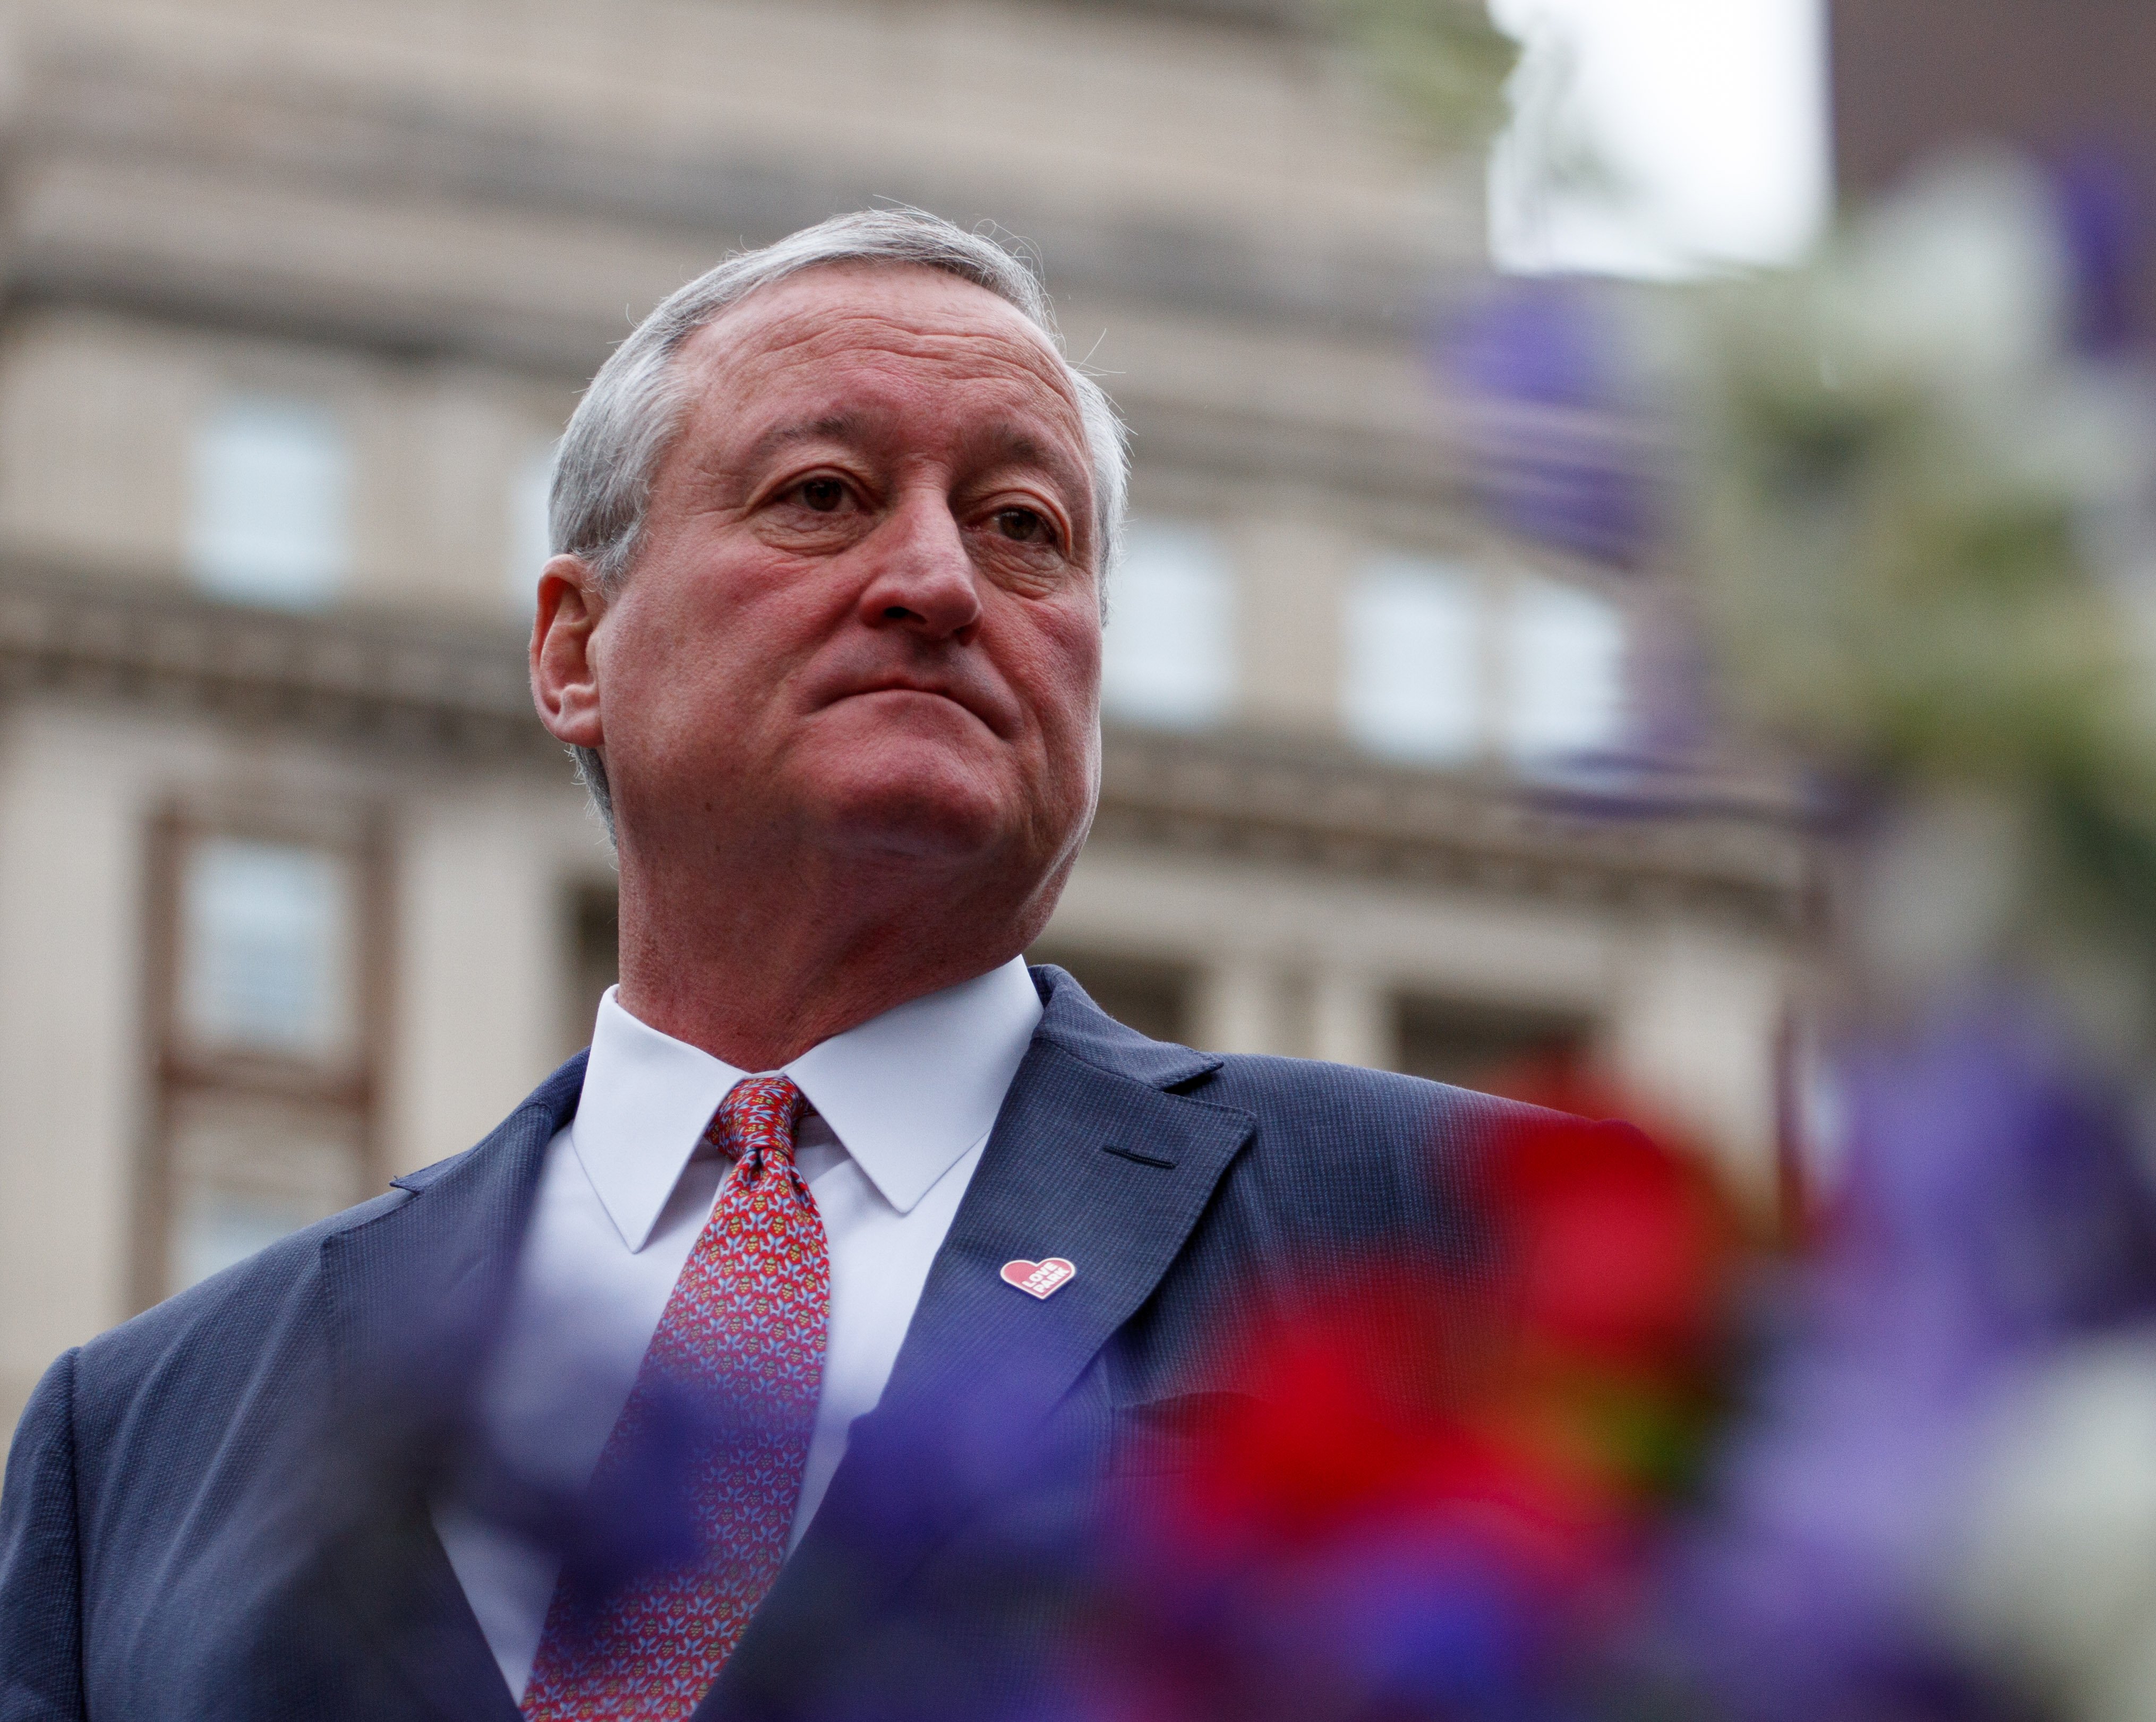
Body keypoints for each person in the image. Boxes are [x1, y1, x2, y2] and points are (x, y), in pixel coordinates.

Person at [0, 209, 1536, 1721]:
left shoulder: (1462, 1237)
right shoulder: (137, 1433)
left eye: (1026, 527)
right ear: (572, 648)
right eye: (823, 494)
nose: (940, 580)